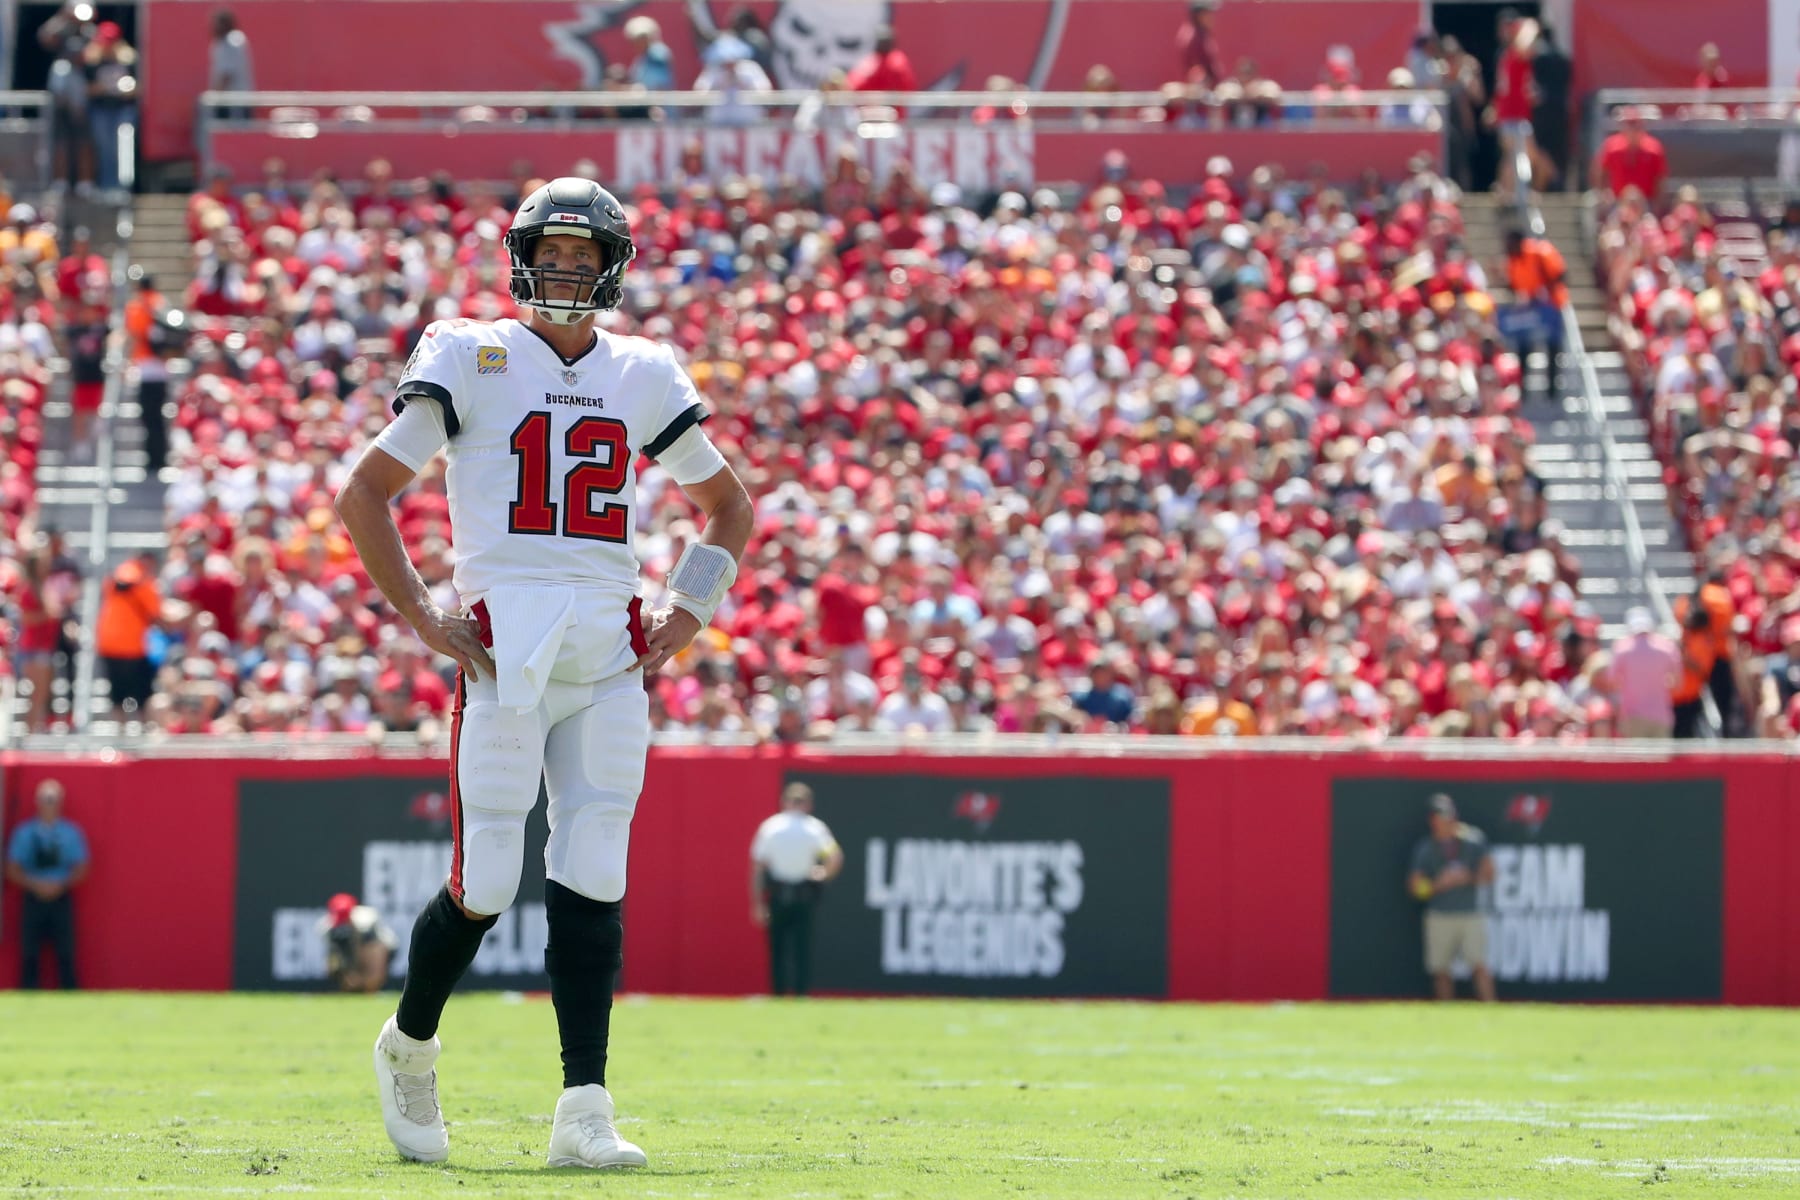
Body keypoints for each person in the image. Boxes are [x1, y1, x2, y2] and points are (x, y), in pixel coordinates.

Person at [336, 177, 754, 1169]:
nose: (565, 270)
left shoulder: (644, 372)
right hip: (501, 647)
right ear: (524, 255)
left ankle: (584, 1109)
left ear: (611, 268)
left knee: (595, 872)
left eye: (583, 255)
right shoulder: (470, 352)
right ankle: (408, 1043)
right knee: (487, 880)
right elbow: (366, 492)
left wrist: (689, 609)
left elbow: (729, 507)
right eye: (551, 252)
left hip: (608, 652)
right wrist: (421, 616)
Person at [749, 782, 843, 997]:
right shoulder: (814, 828)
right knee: (802, 949)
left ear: (784, 803)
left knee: (778, 950)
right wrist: (822, 873)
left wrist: (757, 902)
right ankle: (801, 994)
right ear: (808, 804)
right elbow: (835, 857)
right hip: (804, 893)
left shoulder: (771, 827)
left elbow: (757, 867)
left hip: (778, 894)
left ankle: (779, 994)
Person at [1407, 793, 1495, 1002]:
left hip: (1470, 914)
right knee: (1441, 970)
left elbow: (1490, 874)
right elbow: (1414, 887)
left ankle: (1492, 1012)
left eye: (1450, 816)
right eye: (1442, 817)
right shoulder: (1425, 848)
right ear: (1433, 821)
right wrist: (1439, 884)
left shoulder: (1474, 840)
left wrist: (1469, 878)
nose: (1448, 821)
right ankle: (1445, 1016)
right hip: (1440, 915)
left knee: (1479, 965)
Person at [5, 779, 89, 989]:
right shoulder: (25, 833)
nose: (49, 804)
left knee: (65, 951)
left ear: (61, 802)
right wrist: (35, 885)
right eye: (45, 799)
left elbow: (82, 866)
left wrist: (59, 885)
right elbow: (12, 867)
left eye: (53, 799)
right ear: (37, 801)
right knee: (29, 952)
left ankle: (71, 1000)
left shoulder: (71, 833)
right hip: (32, 896)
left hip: (61, 896)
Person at [1500, 227, 1567, 402]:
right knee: (1523, 347)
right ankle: (1523, 388)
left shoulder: (1540, 252)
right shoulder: (1512, 261)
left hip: (1550, 306)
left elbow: (1562, 275)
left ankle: (1553, 388)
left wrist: (1542, 290)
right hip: (1530, 308)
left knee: (1552, 347)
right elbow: (1515, 285)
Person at [97, 550, 161, 722]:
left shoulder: (125, 576)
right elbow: (155, 611)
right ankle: (127, 734)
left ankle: (126, 732)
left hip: (113, 644)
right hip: (130, 646)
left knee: (122, 695)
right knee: (133, 695)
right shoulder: (140, 578)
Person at [1609, 606, 1681, 738]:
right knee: (1659, 757)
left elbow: (1612, 681)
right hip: (1661, 715)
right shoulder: (1667, 647)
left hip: (1632, 716)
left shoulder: (1622, 648)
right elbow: (1677, 683)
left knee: (1635, 758)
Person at [319, 892, 399, 993]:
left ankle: (369, 991)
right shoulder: (327, 928)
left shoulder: (366, 923)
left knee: (371, 973)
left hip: (381, 948)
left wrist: (363, 979)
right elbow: (332, 961)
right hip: (352, 952)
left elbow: (377, 952)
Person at [208, 9, 255, 120]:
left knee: (235, 134)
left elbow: (227, 75)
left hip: (234, 103)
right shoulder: (220, 43)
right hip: (227, 101)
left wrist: (214, 99)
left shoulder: (232, 42)